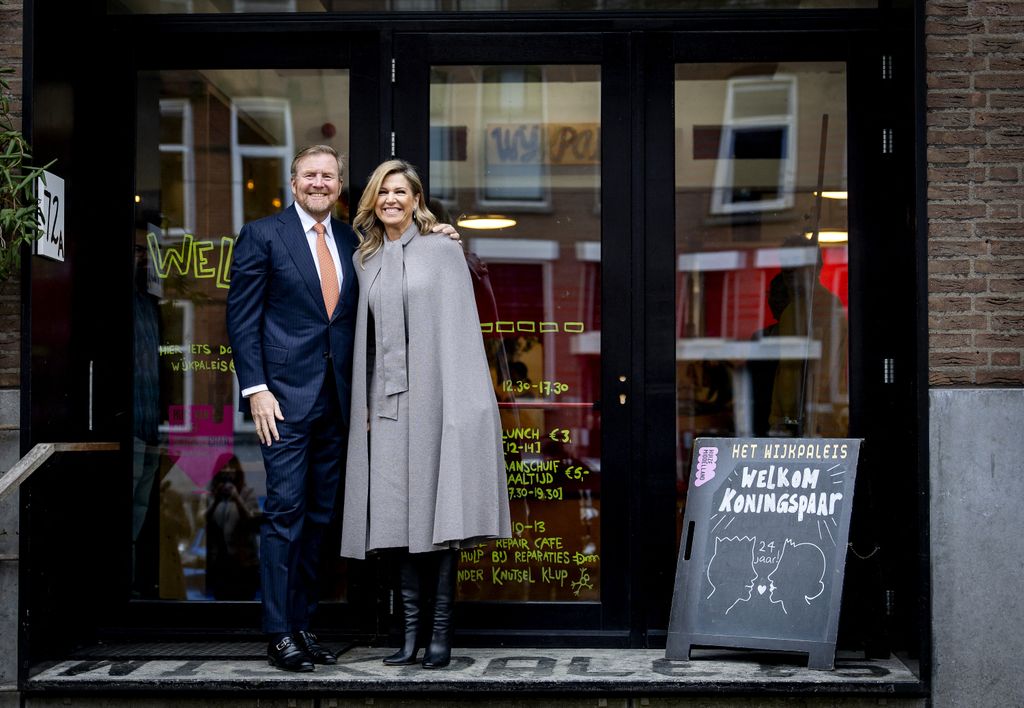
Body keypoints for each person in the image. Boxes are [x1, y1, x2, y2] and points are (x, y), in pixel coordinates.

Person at [227, 145, 460, 673]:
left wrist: (440, 233)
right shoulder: (263, 236)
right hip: (281, 404)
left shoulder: (359, 243)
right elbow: (242, 320)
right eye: (309, 175)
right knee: (284, 513)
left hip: (341, 404)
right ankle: (279, 633)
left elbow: (401, 273)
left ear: (339, 187)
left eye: (328, 177)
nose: (318, 183)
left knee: (319, 519)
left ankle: (304, 625)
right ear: (293, 182)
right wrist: (256, 388)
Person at [340, 159, 511, 669]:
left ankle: (440, 634)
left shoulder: (442, 249)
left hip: (437, 400)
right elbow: (365, 342)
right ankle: (409, 635)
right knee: (397, 519)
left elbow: (459, 331)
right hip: (388, 406)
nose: (390, 199)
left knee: (439, 519)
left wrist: (465, 403)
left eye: (400, 192)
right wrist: (366, 407)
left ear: (416, 199)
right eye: (382, 192)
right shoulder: (365, 259)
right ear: (373, 200)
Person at [205, 455, 261, 600]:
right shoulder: (212, 495)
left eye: (231, 467)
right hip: (220, 565)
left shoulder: (248, 493)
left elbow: (253, 523)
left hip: (245, 564)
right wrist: (216, 500)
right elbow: (202, 523)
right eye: (224, 467)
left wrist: (237, 498)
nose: (228, 471)